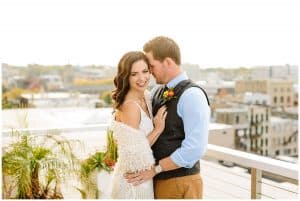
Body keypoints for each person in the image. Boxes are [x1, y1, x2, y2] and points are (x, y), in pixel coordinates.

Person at [125, 36, 211, 199]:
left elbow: (195, 149)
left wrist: (155, 169)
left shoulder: (192, 95)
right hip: (156, 182)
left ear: (168, 62)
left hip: (181, 182)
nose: (150, 71)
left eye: (152, 66)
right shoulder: (157, 90)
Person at [109, 51, 167, 199]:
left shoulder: (146, 97)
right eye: (134, 74)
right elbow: (135, 152)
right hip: (132, 182)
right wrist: (158, 129)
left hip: (143, 177)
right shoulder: (130, 107)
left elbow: (142, 142)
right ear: (125, 76)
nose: (142, 78)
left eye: (145, 71)